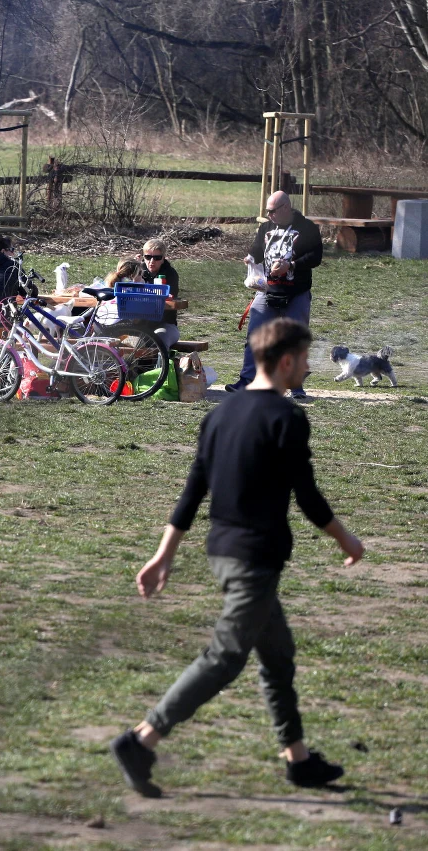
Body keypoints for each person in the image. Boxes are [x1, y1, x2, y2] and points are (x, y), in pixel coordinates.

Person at [110, 317, 364, 798]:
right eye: (306, 360)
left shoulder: (220, 414)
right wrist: (345, 539)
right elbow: (306, 495)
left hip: (224, 552)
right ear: (286, 361)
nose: (308, 369)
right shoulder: (286, 418)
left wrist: (163, 555)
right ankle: (141, 739)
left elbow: (192, 493)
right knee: (225, 656)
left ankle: (299, 760)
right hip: (254, 558)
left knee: (278, 656)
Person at [227, 191, 322, 398]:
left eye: (272, 211)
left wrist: (291, 265)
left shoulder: (307, 228)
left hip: (296, 291)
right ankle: (247, 380)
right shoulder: (266, 227)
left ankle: (295, 385)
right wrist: (251, 258)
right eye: (267, 211)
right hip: (268, 289)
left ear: (286, 207)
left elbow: (316, 257)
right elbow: (258, 249)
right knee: (255, 334)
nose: (269, 215)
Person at [94, 258, 180, 350]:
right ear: (133, 276)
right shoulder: (132, 289)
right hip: (119, 328)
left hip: (99, 325)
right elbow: (138, 318)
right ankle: (123, 340)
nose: (142, 278)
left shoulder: (111, 285)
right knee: (146, 338)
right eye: (140, 274)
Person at [140, 240, 180, 329]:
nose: (152, 261)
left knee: (158, 339)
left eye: (157, 258)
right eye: (148, 257)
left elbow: (170, 297)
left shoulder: (170, 274)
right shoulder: (138, 270)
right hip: (140, 322)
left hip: (165, 322)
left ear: (163, 259)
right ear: (143, 257)